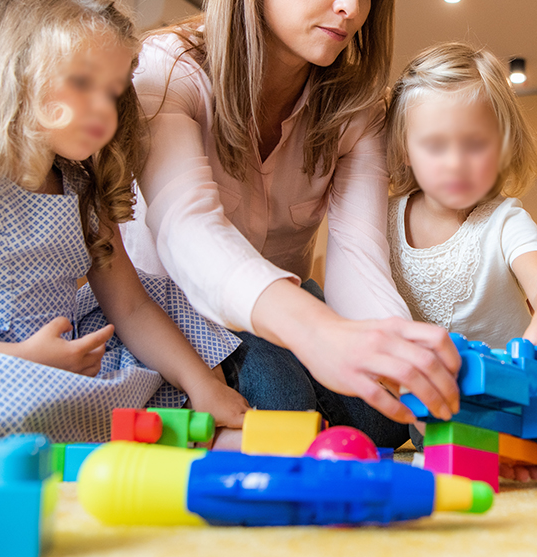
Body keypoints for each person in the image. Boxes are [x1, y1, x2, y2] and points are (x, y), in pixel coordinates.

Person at [0, 0, 247, 449]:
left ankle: (196, 423)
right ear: (14, 75)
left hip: (62, 365)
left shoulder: (82, 193)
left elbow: (131, 308)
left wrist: (201, 384)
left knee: (168, 301)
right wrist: (18, 359)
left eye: (113, 91)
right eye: (82, 83)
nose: (103, 109)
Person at [123, 0, 460, 448]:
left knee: (384, 417)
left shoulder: (357, 108)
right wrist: (317, 331)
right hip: (173, 306)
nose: (351, 8)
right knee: (280, 401)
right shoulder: (166, 69)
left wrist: (408, 370)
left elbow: (359, 254)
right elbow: (186, 228)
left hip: (288, 307)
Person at [385, 43, 537, 479]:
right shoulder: (383, 217)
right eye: (435, 145)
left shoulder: (504, 219)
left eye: (475, 144)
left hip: (531, 387)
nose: (456, 162)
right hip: (444, 398)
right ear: (405, 149)